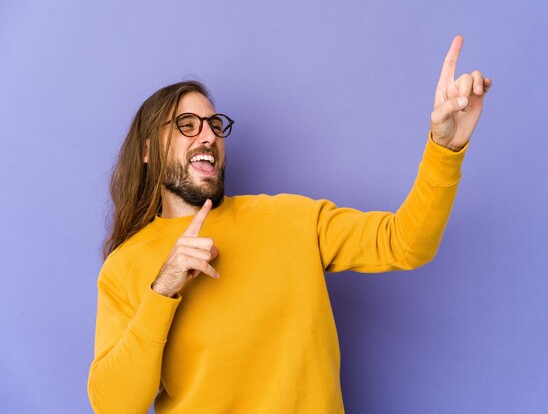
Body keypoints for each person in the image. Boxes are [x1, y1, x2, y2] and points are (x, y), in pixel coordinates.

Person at [87, 35, 491, 413]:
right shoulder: (126, 267)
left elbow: (406, 242)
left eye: (214, 125)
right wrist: (164, 289)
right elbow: (115, 404)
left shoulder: (290, 218)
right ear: (146, 151)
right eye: (186, 126)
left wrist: (446, 147)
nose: (207, 136)